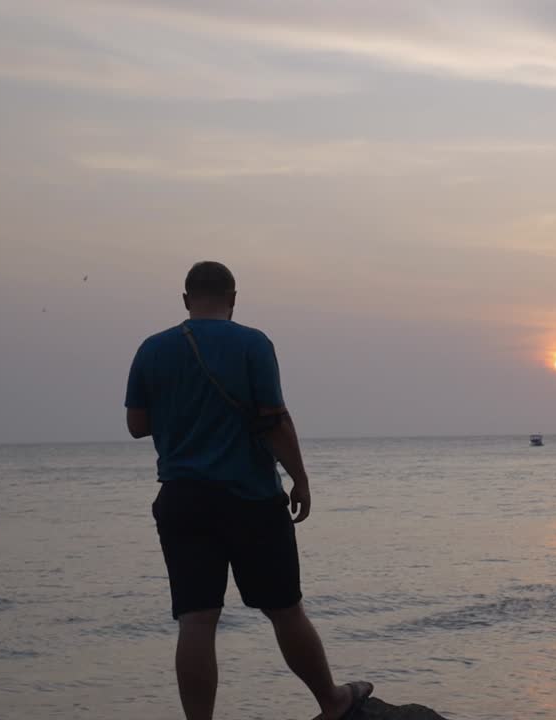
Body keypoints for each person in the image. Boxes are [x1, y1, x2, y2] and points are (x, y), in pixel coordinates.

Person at [125, 261, 372, 720]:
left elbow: (137, 425)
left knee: (197, 619)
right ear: (234, 298)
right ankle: (333, 702)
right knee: (284, 609)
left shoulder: (151, 349)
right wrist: (300, 478)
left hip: (181, 498)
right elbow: (273, 419)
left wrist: (184, 418)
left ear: (185, 300)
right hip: (251, 497)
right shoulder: (253, 343)